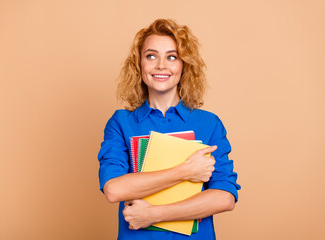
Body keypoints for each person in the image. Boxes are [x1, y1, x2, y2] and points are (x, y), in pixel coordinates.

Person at [98, 19, 241, 240]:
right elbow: (114, 189)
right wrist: (185, 171)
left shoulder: (209, 124)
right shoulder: (121, 123)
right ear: (139, 64)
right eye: (151, 56)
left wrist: (153, 215)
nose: (161, 65)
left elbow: (225, 197)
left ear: (184, 65)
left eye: (172, 57)